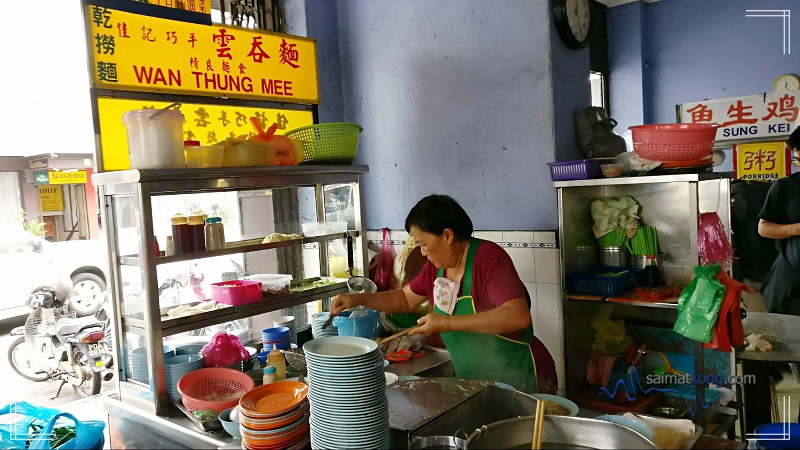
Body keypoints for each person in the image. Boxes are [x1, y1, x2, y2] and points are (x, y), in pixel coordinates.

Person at [330, 194, 558, 394]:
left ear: (447, 235)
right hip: (476, 381)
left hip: (522, 379)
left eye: (424, 244)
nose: (422, 252)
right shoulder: (436, 268)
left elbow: (516, 316)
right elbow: (404, 298)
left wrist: (447, 323)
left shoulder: (488, 258)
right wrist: (358, 299)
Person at [757, 126, 800, 383]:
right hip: (794, 286)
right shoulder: (785, 187)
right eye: (797, 159)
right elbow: (764, 228)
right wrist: (797, 228)